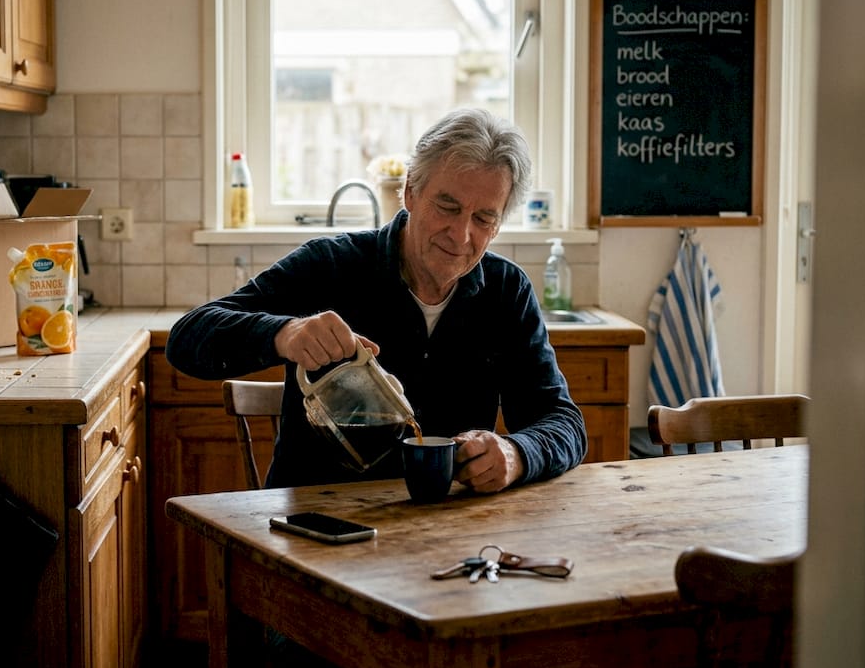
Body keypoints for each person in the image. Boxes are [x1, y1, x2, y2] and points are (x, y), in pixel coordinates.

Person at [166, 108, 586, 492]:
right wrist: (284, 333)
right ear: (409, 193)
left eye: (483, 218)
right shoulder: (331, 265)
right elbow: (186, 339)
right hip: (318, 526)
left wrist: (517, 454)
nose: (461, 236)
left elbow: (564, 422)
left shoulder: (505, 291)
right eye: (447, 206)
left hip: (446, 534)